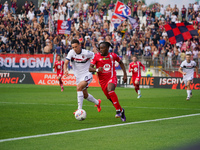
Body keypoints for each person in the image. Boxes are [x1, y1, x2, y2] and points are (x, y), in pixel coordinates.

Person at [89, 42, 127, 122]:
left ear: (107, 48)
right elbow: (90, 68)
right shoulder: (96, 56)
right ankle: (121, 110)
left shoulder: (113, 55)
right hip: (102, 81)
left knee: (110, 90)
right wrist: (96, 69)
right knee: (111, 98)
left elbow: (121, 63)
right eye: (100, 48)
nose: (101, 50)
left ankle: (118, 111)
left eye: (102, 48)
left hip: (112, 77)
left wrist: (125, 75)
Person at [64, 39, 101, 114]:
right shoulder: (71, 53)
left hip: (87, 74)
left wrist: (96, 69)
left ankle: (79, 110)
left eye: (76, 47)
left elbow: (96, 57)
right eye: (73, 47)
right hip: (78, 76)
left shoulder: (86, 53)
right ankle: (97, 102)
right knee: (85, 95)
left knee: (79, 87)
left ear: (80, 45)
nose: (75, 49)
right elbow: (66, 63)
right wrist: (65, 70)